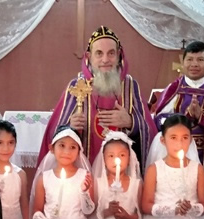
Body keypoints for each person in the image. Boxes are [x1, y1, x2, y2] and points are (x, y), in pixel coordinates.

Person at [37, 26, 156, 164]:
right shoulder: (77, 86)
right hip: (82, 170)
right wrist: (70, 126)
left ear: (119, 55)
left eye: (111, 53)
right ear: (89, 57)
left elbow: (150, 132)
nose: (105, 60)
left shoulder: (130, 86)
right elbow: (54, 133)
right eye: (99, 53)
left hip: (120, 170)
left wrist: (131, 122)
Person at [153, 40, 204, 161]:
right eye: (189, 59)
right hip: (176, 149)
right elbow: (159, 120)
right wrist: (183, 117)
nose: (194, 64)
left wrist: (202, 116)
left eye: (200, 60)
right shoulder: (173, 89)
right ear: (183, 62)